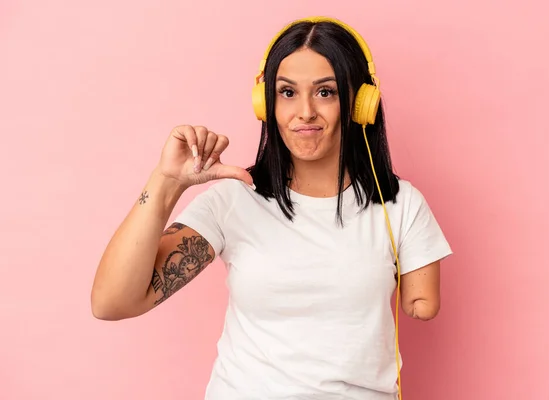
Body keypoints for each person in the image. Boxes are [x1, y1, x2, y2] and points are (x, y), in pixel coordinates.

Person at [91, 16, 453, 400]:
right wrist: (166, 182)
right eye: (287, 92)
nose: (306, 112)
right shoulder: (234, 199)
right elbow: (112, 302)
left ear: (360, 104)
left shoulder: (399, 205)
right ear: (265, 103)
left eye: (326, 92)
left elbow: (423, 303)